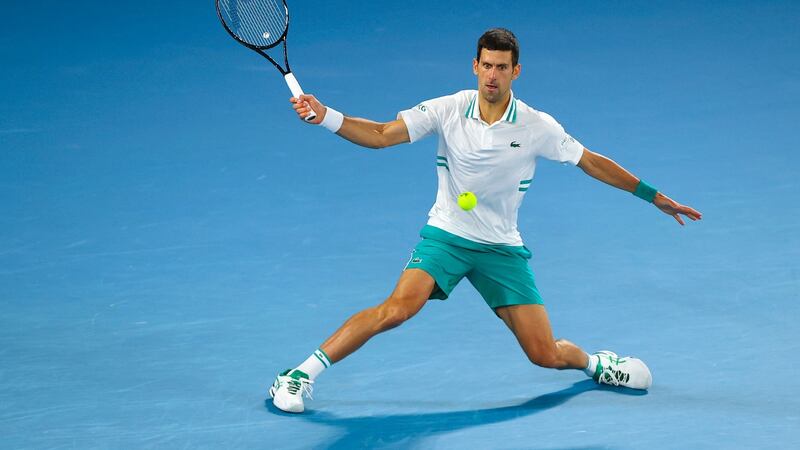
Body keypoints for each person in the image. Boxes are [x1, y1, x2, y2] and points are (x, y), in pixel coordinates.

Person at [269, 28, 702, 413]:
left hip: (501, 247)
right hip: (447, 236)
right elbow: (382, 135)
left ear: (516, 72)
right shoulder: (448, 108)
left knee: (545, 354)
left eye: (502, 67)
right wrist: (326, 116)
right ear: (475, 66)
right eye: (487, 66)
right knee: (396, 309)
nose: (492, 76)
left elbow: (590, 161)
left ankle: (597, 364)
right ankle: (298, 374)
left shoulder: (536, 125)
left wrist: (654, 197)